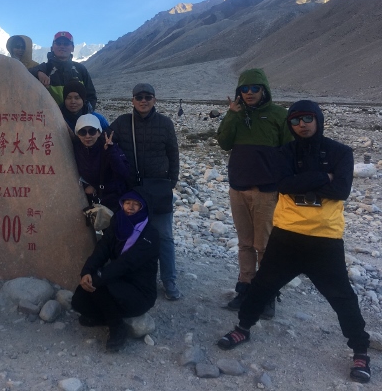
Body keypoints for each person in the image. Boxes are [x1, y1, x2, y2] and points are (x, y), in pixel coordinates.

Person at [217, 100, 371, 384]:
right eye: (296, 120)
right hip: (287, 234)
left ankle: (360, 350)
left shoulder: (341, 152)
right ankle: (243, 327)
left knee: (342, 296)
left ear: (318, 119)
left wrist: (303, 180)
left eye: (307, 118)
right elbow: (283, 184)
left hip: (324, 237)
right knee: (263, 284)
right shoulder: (284, 152)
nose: (302, 124)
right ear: (290, 124)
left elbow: (341, 190)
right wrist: (322, 177)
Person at [216, 68, 292, 317]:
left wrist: (282, 186)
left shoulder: (279, 115)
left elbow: (289, 152)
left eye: (254, 89)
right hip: (238, 189)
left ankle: (267, 294)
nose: (249, 93)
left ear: (264, 90)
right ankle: (245, 288)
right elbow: (224, 143)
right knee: (245, 244)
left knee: (265, 245)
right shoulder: (237, 114)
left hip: (266, 192)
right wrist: (231, 115)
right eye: (244, 89)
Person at [110, 83, 181, 300]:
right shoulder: (122, 123)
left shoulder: (165, 123)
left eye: (148, 96)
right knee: (131, 235)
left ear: (154, 100)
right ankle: (133, 276)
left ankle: (169, 280)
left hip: (159, 187)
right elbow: (102, 139)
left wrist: (172, 182)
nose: (143, 100)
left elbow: (173, 153)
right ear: (132, 100)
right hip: (133, 189)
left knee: (165, 236)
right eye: (139, 97)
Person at [72, 191, 159, 352]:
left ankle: (117, 329)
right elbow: (102, 249)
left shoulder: (150, 234)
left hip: (139, 291)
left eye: (136, 204)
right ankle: (106, 317)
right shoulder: (118, 223)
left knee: (100, 286)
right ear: (122, 204)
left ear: (143, 207)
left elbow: (127, 263)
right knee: (79, 299)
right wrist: (87, 271)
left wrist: (99, 277)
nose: (130, 208)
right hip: (118, 282)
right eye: (127, 203)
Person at [73, 114, 128, 213]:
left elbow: (123, 174)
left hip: (113, 199)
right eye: (82, 132)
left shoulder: (110, 147)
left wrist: (111, 152)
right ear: (78, 134)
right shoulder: (76, 149)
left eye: (92, 131)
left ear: (99, 133)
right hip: (91, 200)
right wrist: (86, 186)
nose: (88, 136)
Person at [29, 31, 97, 109]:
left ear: (73, 48)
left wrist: (85, 114)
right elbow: (25, 73)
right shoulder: (44, 68)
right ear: (52, 48)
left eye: (66, 44)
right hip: (52, 118)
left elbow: (91, 96)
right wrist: (38, 73)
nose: (62, 46)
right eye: (58, 43)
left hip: (78, 118)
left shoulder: (80, 69)